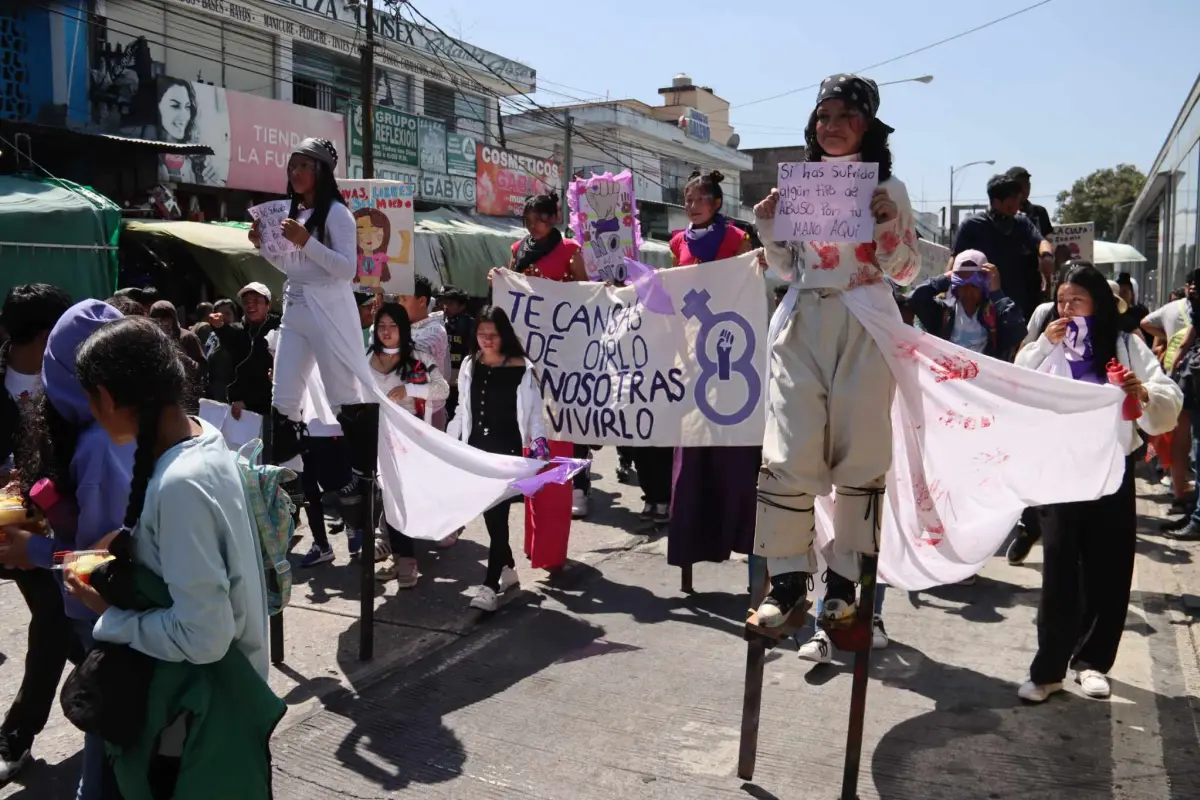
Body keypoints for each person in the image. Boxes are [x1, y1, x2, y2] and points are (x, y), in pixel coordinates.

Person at [66, 316, 280, 796]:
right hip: (209, 706)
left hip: (191, 728)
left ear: (105, 395)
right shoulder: (203, 435)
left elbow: (203, 636)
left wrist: (110, 615)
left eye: (89, 399)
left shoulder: (181, 483)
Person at [752, 74, 920, 630]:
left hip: (866, 320)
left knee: (862, 452)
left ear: (866, 124)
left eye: (845, 116)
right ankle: (786, 581)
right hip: (802, 319)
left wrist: (887, 227)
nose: (832, 127)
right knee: (787, 447)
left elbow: (907, 272)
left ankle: (845, 583)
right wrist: (770, 226)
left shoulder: (888, 190)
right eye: (824, 117)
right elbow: (784, 269)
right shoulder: (797, 187)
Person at [1014, 263, 1181, 702]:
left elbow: (1165, 396)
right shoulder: (1045, 347)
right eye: (1062, 301)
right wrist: (1040, 350)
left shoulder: (1126, 345)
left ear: (1099, 305)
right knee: (1059, 570)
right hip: (1062, 472)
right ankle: (1048, 669)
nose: (1067, 309)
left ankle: (1092, 662)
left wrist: (1138, 390)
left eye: (1077, 301)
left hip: (1111, 469)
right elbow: (1018, 387)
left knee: (1108, 567)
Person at [2, 299, 135, 799]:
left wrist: (31, 551)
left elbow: (103, 568)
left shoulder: (101, 448)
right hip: (113, 632)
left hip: (109, 633)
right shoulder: (119, 430)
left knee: (104, 773)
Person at [247, 137, 366, 465]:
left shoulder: (338, 214)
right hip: (295, 310)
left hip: (328, 313)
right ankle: (288, 477)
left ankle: (360, 477)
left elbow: (346, 269)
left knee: (344, 397)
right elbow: (291, 268)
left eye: (304, 165)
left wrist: (306, 241)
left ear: (322, 171)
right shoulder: (292, 212)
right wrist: (263, 246)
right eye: (292, 166)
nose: (295, 171)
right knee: (283, 400)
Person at [0, 284, 76, 783]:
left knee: (53, 616)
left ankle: (16, 737)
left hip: (45, 530)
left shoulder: (69, 383)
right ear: (49, 334)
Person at [666, 169, 758, 583]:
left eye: (700, 198)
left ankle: (741, 540)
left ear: (717, 203)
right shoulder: (677, 243)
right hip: (690, 360)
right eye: (687, 199)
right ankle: (689, 548)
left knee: (732, 458)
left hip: (731, 359)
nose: (692, 205)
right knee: (690, 459)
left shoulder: (739, 241)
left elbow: (750, 289)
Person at [488, 191, 586, 567]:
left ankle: (552, 551)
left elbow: (586, 299)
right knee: (531, 451)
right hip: (527, 363)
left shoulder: (571, 250)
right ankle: (533, 547)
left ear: (554, 217)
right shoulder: (517, 248)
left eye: (541, 218)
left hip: (561, 365)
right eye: (529, 219)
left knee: (555, 451)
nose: (534, 225)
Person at [451, 307, 551, 611]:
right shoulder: (470, 364)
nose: (486, 340)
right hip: (476, 452)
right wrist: (448, 439)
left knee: (498, 517)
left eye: (492, 335)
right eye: (482, 334)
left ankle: (490, 585)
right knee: (490, 517)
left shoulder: (523, 368)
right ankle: (507, 569)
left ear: (503, 335)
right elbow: (462, 410)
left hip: (505, 454)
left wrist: (539, 443)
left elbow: (534, 414)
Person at [369, 302, 449, 585]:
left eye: (392, 326)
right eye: (381, 326)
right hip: (376, 438)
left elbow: (442, 388)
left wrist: (409, 389)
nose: (387, 332)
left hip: (408, 441)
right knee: (385, 498)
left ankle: (407, 561)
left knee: (399, 498)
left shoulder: (418, 357)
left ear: (403, 329)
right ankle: (397, 554)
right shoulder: (365, 358)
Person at [953, 172, 1055, 321]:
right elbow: (955, 259)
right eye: (1011, 201)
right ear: (996, 202)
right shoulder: (972, 225)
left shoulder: (1022, 223)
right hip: (982, 301)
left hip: (1016, 301)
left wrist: (1047, 256)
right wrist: (947, 288)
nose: (1016, 205)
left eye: (1018, 199)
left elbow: (1041, 242)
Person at [1141, 273, 1197, 521]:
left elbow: (1145, 323)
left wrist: (1165, 341)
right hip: (1186, 378)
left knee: (1177, 437)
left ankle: (1177, 490)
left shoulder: (1172, 308)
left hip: (1183, 377)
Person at [910, 249, 1026, 359]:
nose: (968, 292)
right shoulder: (943, 312)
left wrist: (997, 294)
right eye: (963, 285)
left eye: (974, 286)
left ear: (983, 287)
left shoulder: (994, 316)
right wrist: (945, 278)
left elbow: (1017, 331)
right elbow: (915, 298)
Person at [208, 283, 280, 423]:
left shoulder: (279, 332)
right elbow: (228, 335)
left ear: (268, 305)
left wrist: (248, 402)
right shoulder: (238, 331)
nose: (250, 305)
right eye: (246, 302)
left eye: (256, 301)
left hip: (270, 409)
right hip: (238, 410)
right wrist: (218, 325)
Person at [149, 300, 208, 394]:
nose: (164, 322)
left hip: (186, 394)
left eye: (167, 318)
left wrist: (186, 361)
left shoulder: (187, 337)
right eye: (158, 319)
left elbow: (204, 368)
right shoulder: (152, 340)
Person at [439, 285, 474, 422]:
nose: (446, 306)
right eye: (445, 303)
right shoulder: (439, 322)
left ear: (462, 306)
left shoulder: (470, 324)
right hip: (443, 378)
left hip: (460, 378)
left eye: (451, 303)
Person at [1006, 166, 1054, 237]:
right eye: (1019, 184)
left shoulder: (1039, 212)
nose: (1024, 188)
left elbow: (1047, 239)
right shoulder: (1002, 213)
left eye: (1026, 183)